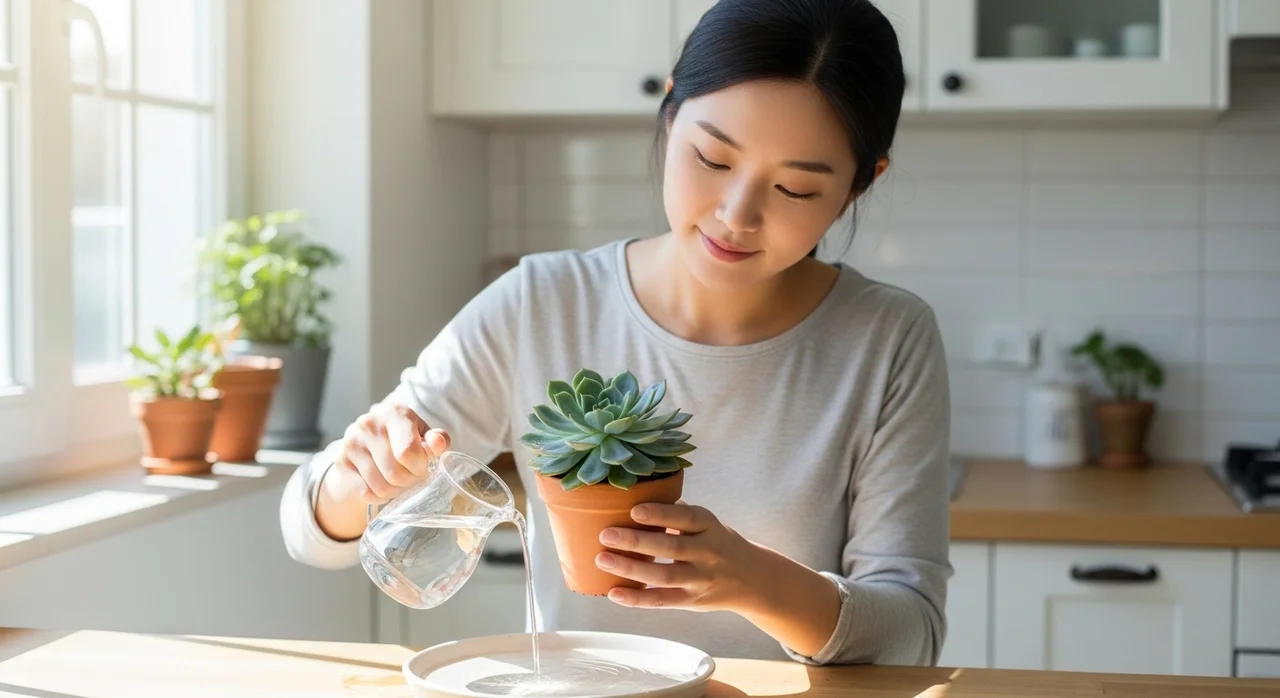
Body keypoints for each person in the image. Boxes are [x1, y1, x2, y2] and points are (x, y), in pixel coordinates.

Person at [280, 0, 951, 666]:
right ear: (669, 110)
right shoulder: (541, 302)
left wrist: (752, 580)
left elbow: (911, 633)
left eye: (796, 189)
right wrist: (359, 477)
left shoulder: (888, 338)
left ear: (860, 184)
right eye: (713, 159)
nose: (736, 215)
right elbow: (306, 532)